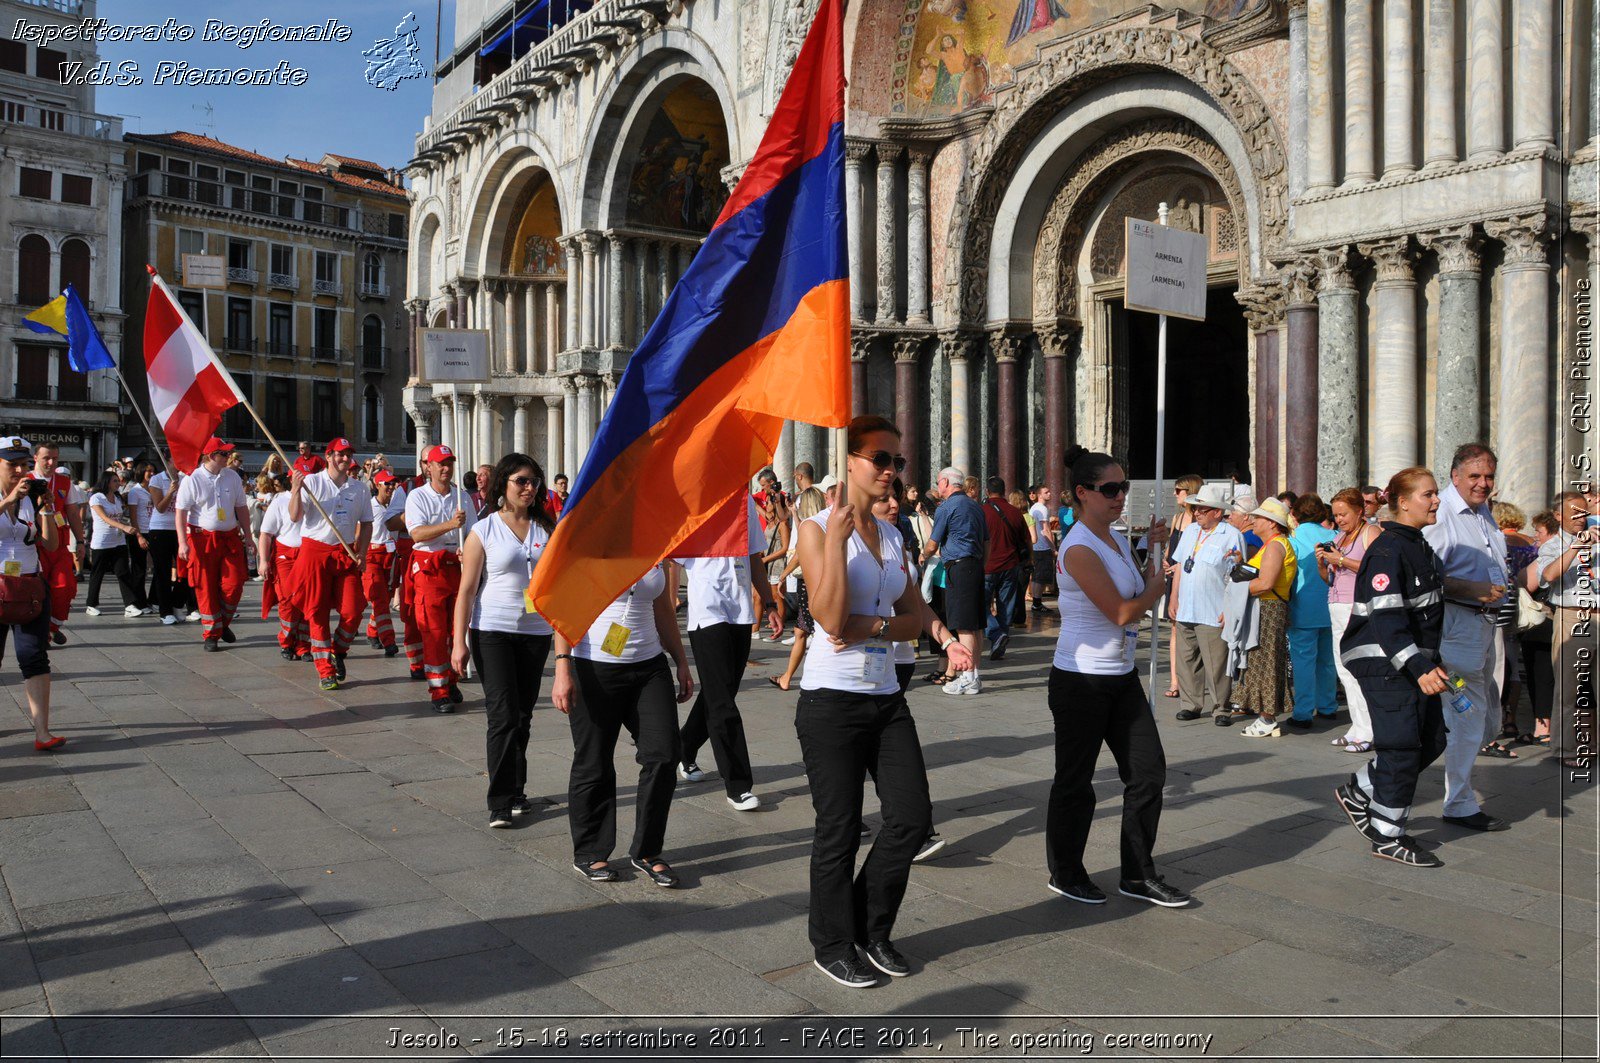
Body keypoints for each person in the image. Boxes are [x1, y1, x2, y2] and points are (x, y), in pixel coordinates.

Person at [793, 415, 932, 987]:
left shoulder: (895, 534)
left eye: (897, 462)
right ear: (849, 461)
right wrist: (835, 540)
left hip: (886, 694)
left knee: (910, 818)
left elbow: (916, 616)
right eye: (881, 459)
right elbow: (827, 618)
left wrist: (876, 627)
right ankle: (831, 943)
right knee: (840, 829)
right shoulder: (815, 527)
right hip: (831, 699)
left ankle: (870, 928)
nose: (891, 472)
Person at [1046, 444, 1188, 908]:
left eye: (1123, 487)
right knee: (1076, 781)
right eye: (1110, 489)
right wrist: (1158, 586)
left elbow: (1137, 584)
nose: (1120, 496)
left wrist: (1155, 548)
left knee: (1148, 773)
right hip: (1081, 679)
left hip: (1120, 676)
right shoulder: (1079, 546)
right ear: (1082, 493)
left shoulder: (1115, 537)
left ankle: (1137, 873)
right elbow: (1124, 611)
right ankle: (1066, 872)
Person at [1333, 467, 1453, 866]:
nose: (1436, 500)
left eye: (1435, 494)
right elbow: (1387, 620)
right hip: (1384, 662)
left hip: (1412, 661)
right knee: (1402, 749)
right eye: (1428, 495)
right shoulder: (1387, 550)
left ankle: (1360, 789)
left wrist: (1431, 663)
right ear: (1402, 502)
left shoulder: (1417, 544)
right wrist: (1419, 666)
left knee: (1433, 739)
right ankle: (1388, 834)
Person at [552, 559, 694, 887]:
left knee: (664, 753)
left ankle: (647, 851)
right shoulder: (590, 548)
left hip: (648, 667)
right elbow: (565, 610)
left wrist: (682, 661)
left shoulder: (656, 549)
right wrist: (563, 669)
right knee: (594, 760)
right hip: (593, 667)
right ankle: (590, 851)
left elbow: (662, 609)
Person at [451, 454, 557, 828]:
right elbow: (465, 591)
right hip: (492, 630)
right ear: (504, 485)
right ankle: (499, 800)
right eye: (522, 481)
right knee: (502, 715)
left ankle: (516, 789)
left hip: (535, 632)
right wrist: (458, 642)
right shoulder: (484, 530)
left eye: (534, 482)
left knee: (523, 716)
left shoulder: (548, 528)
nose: (530, 488)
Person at [873, 480, 971, 864]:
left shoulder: (897, 541)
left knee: (893, 752)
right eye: (884, 499)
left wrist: (948, 642)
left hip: (898, 662)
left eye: (896, 496)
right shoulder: (842, 541)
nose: (895, 504)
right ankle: (907, 826)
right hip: (852, 672)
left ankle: (915, 828)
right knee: (878, 752)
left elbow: (916, 604)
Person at [1420, 443, 1510, 832]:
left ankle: (1374, 784)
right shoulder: (1442, 516)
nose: (1483, 483)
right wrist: (1467, 589)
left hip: (1485, 628)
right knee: (1468, 717)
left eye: (1488, 476)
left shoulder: (1484, 513)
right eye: (1474, 476)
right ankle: (1457, 803)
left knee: (1482, 718)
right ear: (1455, 476)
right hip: (1458, 629)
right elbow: (1424, 576)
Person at [677, 494, 781, 809]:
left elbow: (753, 556)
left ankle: (682, 748)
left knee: (720, 693)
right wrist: (669, 603)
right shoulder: (691, 501)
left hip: (740, 609)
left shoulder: (744, 502)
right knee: (722, 701)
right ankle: (738, 784)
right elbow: (673, 561)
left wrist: (771, 603)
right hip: (706, 609)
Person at [289, 439, 374, 691]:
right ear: (328, 456)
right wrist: (295, 490)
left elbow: (367, 522)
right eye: (340, 455)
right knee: (317, 612)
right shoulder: (312, 482)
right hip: (315, 553)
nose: (345, 459)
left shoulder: (359, 488)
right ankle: (325, 669)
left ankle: (338, 650)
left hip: (344, 552)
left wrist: (363, 551)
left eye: (348, 455)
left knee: (353, 608)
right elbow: (294, 516)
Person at [0, 437, 62, 749]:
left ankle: (42, 733)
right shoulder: (13, 496)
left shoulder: (30, 496)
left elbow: (51, 544)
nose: (21, 471)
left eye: (24, 465)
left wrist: (47, 509)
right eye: (12, 465)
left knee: (34, 657)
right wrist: (8, 498)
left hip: (28, 588)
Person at [405, 445, 474, 710]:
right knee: (434, 630)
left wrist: (465, 546)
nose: (446, 469)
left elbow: (471, 531)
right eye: (441, 464)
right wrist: (450, 525)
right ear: (429, 467)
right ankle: (439, 690)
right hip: (429, 569)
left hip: (455, 567)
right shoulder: (417, 497)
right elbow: (417, 534)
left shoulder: (461, 497)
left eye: (450, 463)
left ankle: (452, 678)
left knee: (456, 628)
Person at [1168, 483, 1244, 722]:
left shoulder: (1231, 535)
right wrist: (1173, 596)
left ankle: (1221, 707)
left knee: (1216, 663)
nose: (1197, 513)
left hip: (1213, 608)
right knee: (1187, 659)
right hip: (1187, 607)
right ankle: (1191, 704)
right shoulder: (1190, 531)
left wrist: (1230, 608)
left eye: (1203, 509)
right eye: (1195, 509)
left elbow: (1238, 575)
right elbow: (1180, 565)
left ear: (1217, 512)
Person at [1539, 491, 1598, 770]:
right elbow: (1548, 575)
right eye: (1574, 512)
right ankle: (1564, 747)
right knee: (1570, 687)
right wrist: (1576, 547)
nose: (1580, 518)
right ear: (1559, 516)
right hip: (1572, 615)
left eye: (1584, 512)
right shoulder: (1553, 545)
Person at [1321, 488, 1383, 752]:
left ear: (1360, 510)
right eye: (1335, 515)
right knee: (1344, 670)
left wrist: (1341, 559)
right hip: (1336, 603)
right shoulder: (1340, 536)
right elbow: (1329, 577)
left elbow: (1377, 568)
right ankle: (1357, 726)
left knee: (1360, 669)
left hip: (1358, 606)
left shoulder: (1371, 532)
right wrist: (1323, 562)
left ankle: (1370, 730)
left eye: (1343, 514)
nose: (1339, 520)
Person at [174, 438, 251, 650]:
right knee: (205, 586)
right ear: (211, 456)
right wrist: (182, 542)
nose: (229, 457)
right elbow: (181, 512)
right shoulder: (192, 478)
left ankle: (222, 623)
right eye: (224, 454)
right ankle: (211, 633)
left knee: (234, 584)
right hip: (202, 538)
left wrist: (249, 536)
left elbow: (242, 507)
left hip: (229, 537)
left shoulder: (232, 476)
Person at [1235, 498, 1297, 737]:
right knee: (1261, 660)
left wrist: (1236, 590)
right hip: (1265, 608)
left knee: (1267, 660)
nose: (1253, 520)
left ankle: (1267, 716)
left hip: (1269, 608)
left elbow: (1266, 582)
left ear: (1271, 523)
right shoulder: (1270, 544)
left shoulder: (1274, 546)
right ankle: (1264, 714)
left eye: (1258, 517)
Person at [921, 465, 986, 693]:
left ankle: (968, 676)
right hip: (976, 565)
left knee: (964, 626)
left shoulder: (947, 507)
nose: (938, 486)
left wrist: (922, 555)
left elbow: (932, 542)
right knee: (976, 625)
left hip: (958, 567)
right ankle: (974, 674)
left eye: (939, 482)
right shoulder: (975, 506)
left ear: (946, 483)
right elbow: (985, 540)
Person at [1286, 493, 1338, 729]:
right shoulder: (1336, 536)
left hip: (1303, 607)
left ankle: (1303, 711)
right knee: (1327, 660)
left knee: (1304, 661)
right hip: (1333, 606)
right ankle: (1327, 705)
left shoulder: (1293, 539)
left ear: (1295, 514)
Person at [770, 486, 827, 692]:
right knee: (803, 630)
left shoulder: (811, 527)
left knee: (809, 631)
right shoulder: (824, 523)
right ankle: (787, 676)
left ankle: (799, 677)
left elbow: (800, 553)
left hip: (808, 584)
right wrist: (793, 512)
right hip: (820, 583)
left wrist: (784, 574)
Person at [29, 443, 85, 645]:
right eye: (46, 458)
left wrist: (80, 541)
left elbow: (72, 513)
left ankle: (51, 628)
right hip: (35, 545)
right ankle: (40, 632)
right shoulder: (26, 480)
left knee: (65, 586)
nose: (51, 462)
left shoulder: (64, 481)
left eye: (54, 458)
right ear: (35, 458)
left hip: (60, 545)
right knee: (38, 591)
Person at [1160, 475, 1204, 699]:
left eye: (1179, 490)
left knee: (1195, 629)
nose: (1175, 494)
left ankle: (1194, 679)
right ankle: (1176, 680)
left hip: (1191, 578)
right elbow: (1171, 546)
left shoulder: (1201, 521)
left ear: (1190, 492)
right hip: (1174, 579)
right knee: (1175, 627)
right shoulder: (1177, 519)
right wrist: (1167, 561)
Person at [257, 481, 307, 661]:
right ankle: (287, 641)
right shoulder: (279, 502)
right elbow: (266, 534)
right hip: (285, 557)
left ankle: (303, 645)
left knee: (308, 600)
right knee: (287, 600)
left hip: (308, 556)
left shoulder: (317, 501)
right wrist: (263, 561)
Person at [980, 477, 1028, 662]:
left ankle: (995, 634)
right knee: (1005, 606)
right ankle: (999, 641)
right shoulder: (1015, 512)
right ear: (1004, 490)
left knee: (980, 605)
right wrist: (1028, 560)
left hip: (988, 567)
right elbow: (1025, 540)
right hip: (1010, 565)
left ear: (987, 491)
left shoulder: (982, 511)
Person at [84, 471, 140, 617]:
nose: (118, 483)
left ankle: (130, 604)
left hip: (118, 541)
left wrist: (126, 526)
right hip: (101, 542)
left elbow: (120, 517)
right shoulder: (96, 498)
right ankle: (91, 604)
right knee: (98, 574)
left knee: (123, 572)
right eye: (115, 481)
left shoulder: (117, 498)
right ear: (107, 482)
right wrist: (124, 527)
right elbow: (104, 518)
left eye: (118, 481)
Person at [144, 460, 193, 626]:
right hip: (160, 530)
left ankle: (177, 603)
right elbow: (160, 507)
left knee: (186, 571)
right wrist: (171, 491)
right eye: (175, 458)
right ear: (167, 461)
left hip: (180, 529)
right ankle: (165, 611)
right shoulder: (157, 479)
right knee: (163, 572)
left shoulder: (186, 478)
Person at [362, 471, 403, 658]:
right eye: (387, 484)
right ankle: (389, 641)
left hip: (391, 556)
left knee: (384, 600)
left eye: (393, 484)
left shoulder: (396, 506)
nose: (391, 487)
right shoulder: (368, 507)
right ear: (377, 485)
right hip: (372, 556)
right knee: (379, 598)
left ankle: (372, 631)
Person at [123, 467, 154, 609]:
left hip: (154, 530)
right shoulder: (135, 491)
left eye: (153, 471)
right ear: (141, 473)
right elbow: (133, 515)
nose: (151, 473)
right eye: (148, 471)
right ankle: (138, 601)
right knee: (139, 569)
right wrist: (139, 535)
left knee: (159, 568)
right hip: (140, 531)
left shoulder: (154, 488)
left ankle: (154, 599)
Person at [1027, 484, 1057, 613]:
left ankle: (1036, 602)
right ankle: (1037, 603)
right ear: (1040, 495)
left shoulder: (1034, 508)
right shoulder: (1042, 509)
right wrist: (1053, 548)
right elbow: (1046, 530)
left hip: (1035, 546)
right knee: (1040, 576)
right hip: (1042, 547)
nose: (1049, 494)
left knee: (1036, 576)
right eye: (1046, 492)